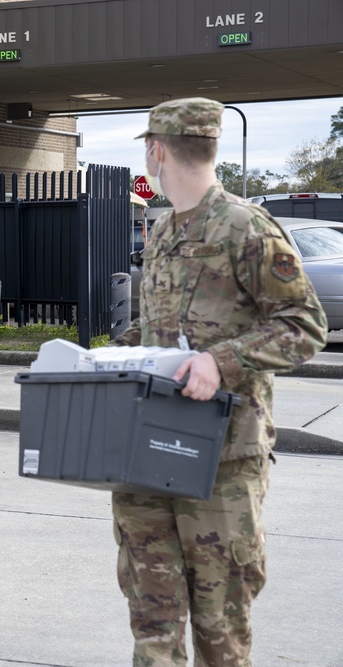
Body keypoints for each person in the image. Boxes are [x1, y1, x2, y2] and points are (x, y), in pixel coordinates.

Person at [111, 97, 327, 666]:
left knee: (219, 626)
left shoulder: (244, 225)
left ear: (157, 152)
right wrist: (106, 359)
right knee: (151, 617)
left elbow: (304, 326)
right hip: (148, 446)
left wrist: (220, 361)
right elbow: (159, 330)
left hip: (222, 458)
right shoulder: (161, 232)